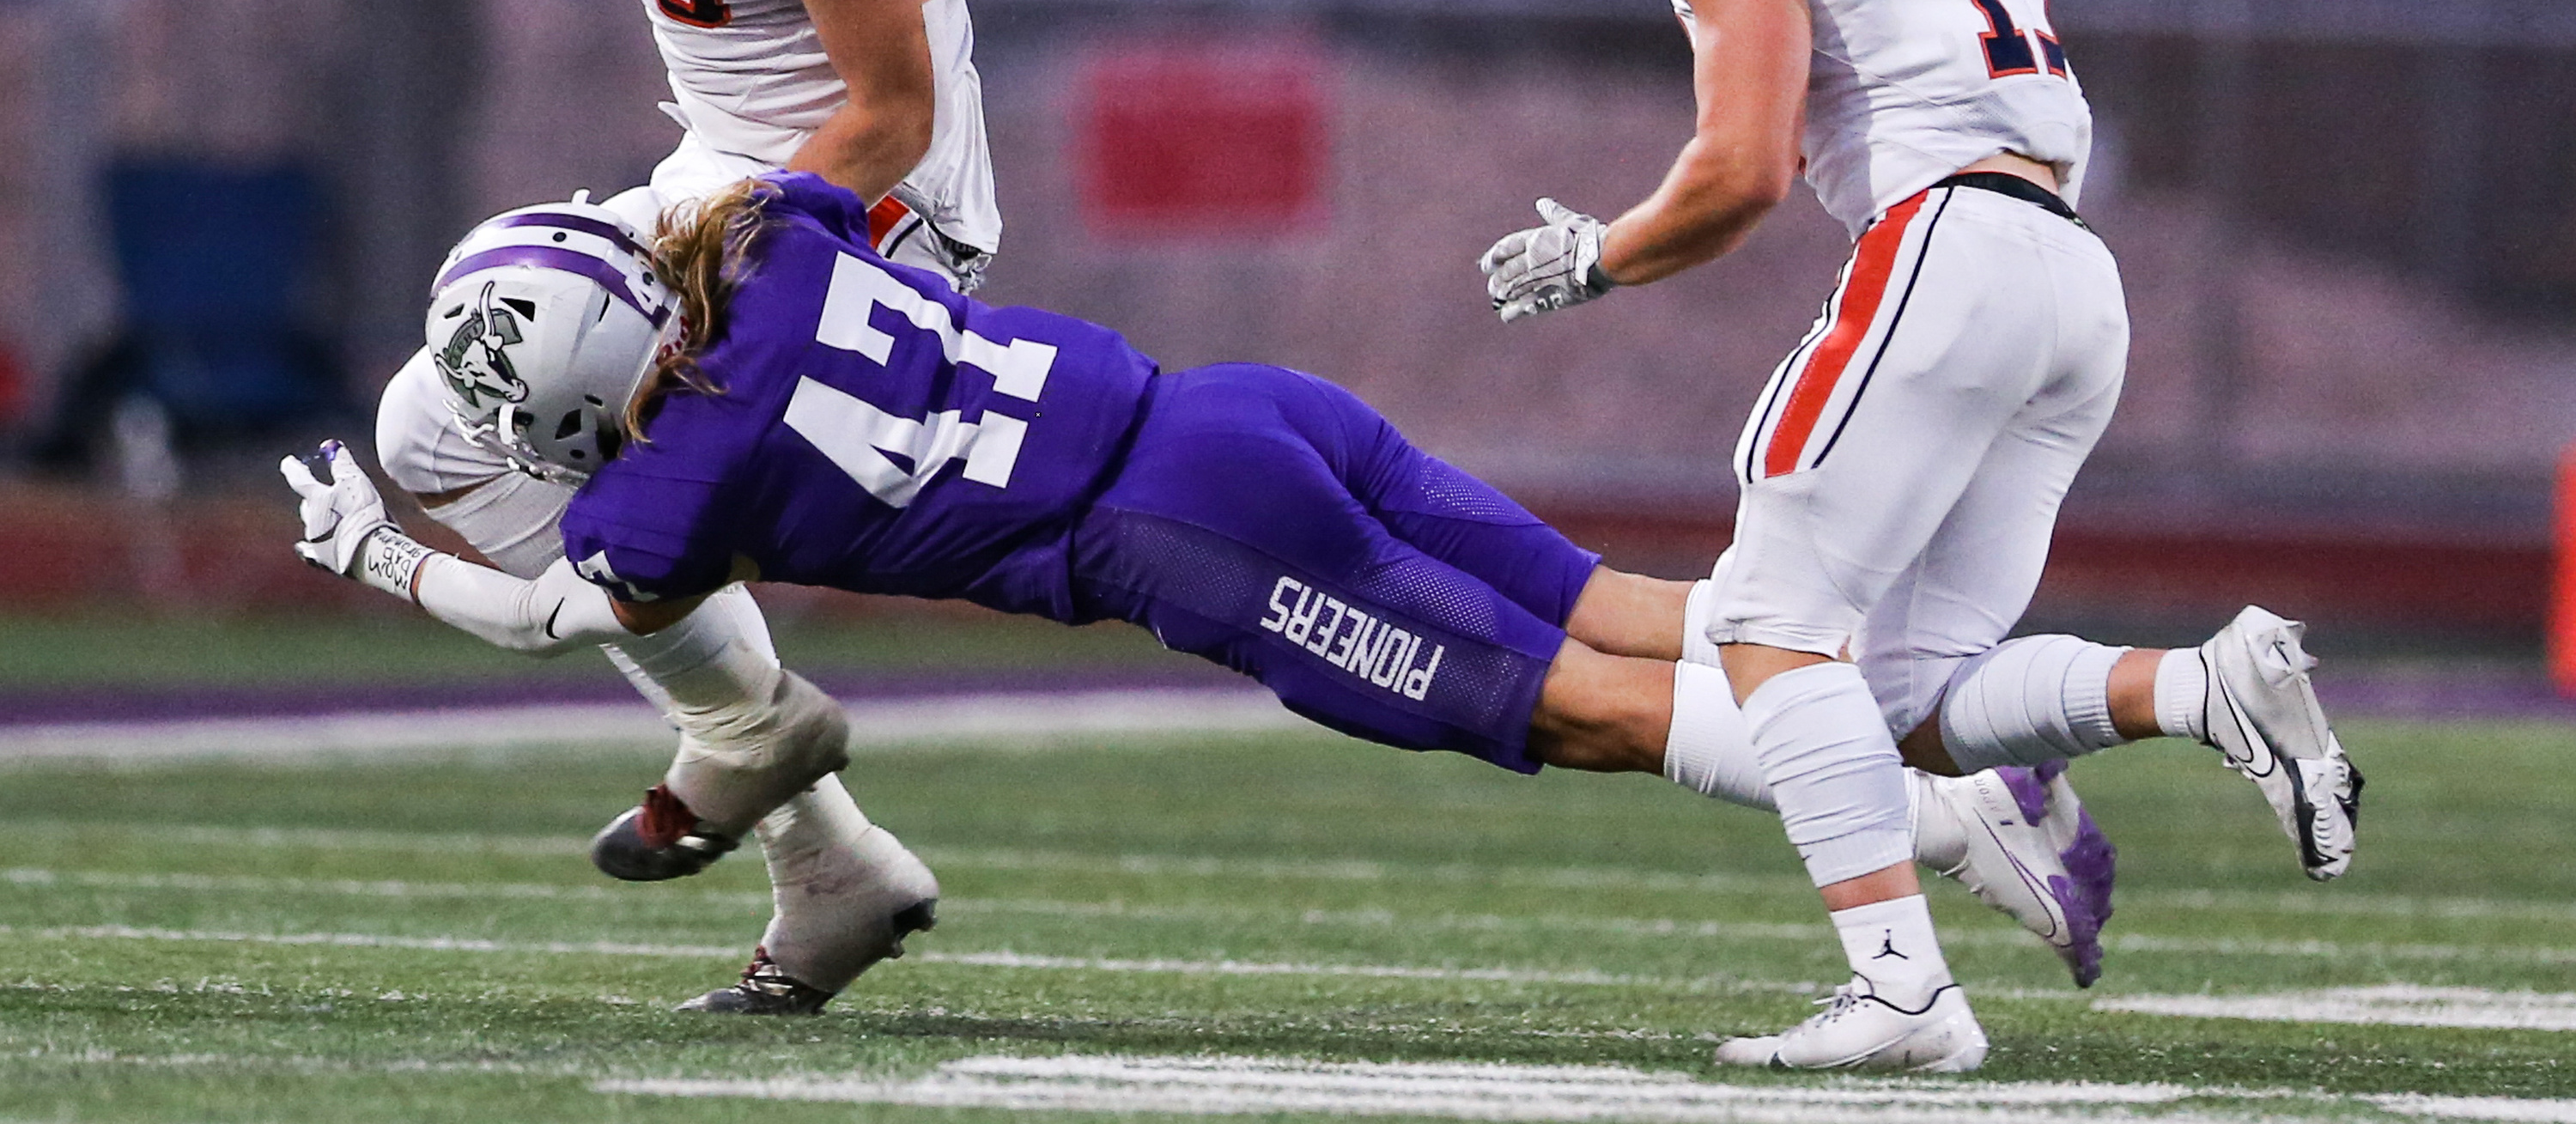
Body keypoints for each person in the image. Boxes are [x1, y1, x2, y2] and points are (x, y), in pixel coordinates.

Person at [284, 176, 2121, 1015]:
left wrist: (385, 553)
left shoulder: (675, 475)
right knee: (1626, 604)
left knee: (1568, 709)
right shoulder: (764, 238)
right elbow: (841, 221)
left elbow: (561, 616)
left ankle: (1947, 817)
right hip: (1233, 404)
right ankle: (1959, 749)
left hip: (1179, 533)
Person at [1475, 0, 2362, 1072]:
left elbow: (1739, 168)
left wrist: (1601, 258)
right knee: (1904, 703)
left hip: (1947, 250)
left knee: (1768, 623)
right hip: (2073, 277)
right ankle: (2207, 689)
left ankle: (1905, 995)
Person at [187, 0, 997, 1012]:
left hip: (864, 199)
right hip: (727, 152)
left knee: (549, 427)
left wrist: (719, 269)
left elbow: (890, 109)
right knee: (439, 427)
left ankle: (783, 782)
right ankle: (823, 851)